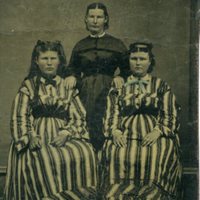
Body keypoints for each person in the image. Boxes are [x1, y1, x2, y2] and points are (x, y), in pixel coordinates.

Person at [3, 40, 97, 200]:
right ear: (36, 61)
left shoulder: (66, 85)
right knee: (45, 158)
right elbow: (20, 115)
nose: (49, 63)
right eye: (44, 58)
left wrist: (67, 133)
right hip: (37, 132)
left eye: (53, 58)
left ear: (59, 60)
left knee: (85, 153)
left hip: (62, 132)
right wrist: (30, 136)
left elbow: (78, 115)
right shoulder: (29, 86)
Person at [101, 41, 182, 199]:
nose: (138, 63)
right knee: (116, 152)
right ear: (129, 61)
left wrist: (158, 131)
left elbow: (169, 112)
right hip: (125, 133)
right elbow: (112, 111)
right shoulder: (119, 87)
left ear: (150, 61)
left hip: (154, 133)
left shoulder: (160, 85)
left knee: (155, 154)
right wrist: (115, 131)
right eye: (134, 59)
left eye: (142, 59)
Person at [65, 2, 129, 150]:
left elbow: (128, 68)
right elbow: (71, 68)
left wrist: (121, 77)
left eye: (99, 17)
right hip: (85, 89)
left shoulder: (116, 44)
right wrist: (72, 76)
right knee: (86, 119)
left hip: (109, 88)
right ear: (86, 19)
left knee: (106, 119)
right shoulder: (80, 45)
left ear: (105, 19)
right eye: (91, 16)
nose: (95, 21)